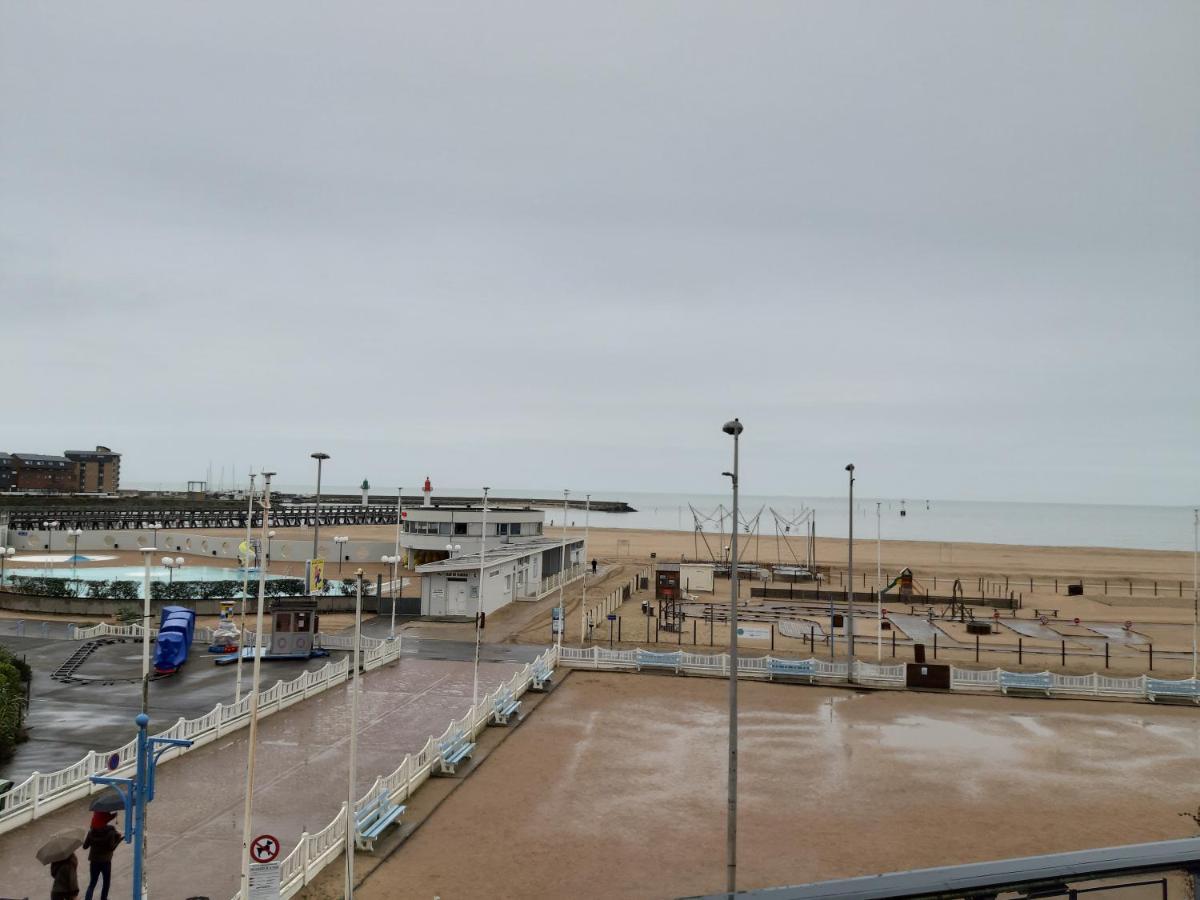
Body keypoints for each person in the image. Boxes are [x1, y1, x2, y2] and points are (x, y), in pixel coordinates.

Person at [83, 811, 122, 900]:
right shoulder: (111, 832)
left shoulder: (91, 832)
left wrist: (89, 839)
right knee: (106, 882)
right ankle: (103, 898)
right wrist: (119, 840)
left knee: (92, 883)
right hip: (106, 862)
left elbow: (85, 847)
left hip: (94, 861)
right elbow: (112, 847)